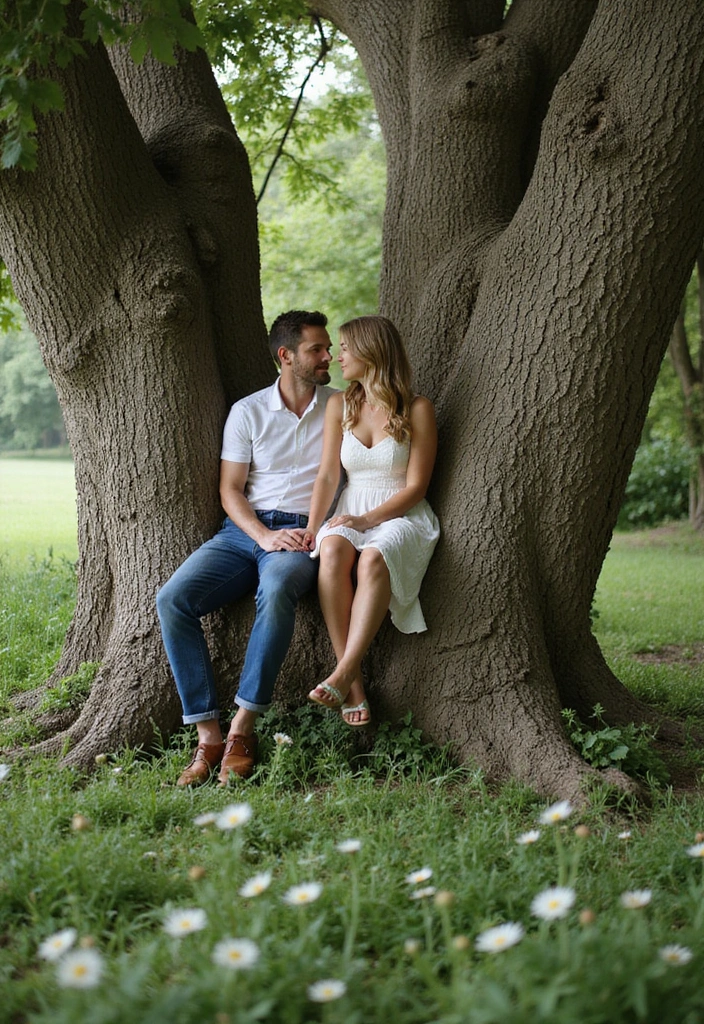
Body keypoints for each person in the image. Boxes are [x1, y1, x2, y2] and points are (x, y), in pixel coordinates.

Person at [157, 310, 335, 786]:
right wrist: (262, 535)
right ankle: (208, 735)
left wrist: (312, 530)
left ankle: (242, 730)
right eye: (317, 349)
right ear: (286, 356)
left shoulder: (341, 405)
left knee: (277, 588)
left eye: (327, 347)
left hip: (304, 534)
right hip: (245, 532)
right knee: (173, 599)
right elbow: (230, 489)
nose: (327, 356)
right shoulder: (248, 411)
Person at [302, 315, 440, 726]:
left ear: (371, 351)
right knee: (332, 549)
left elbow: (416, 487)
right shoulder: (338, 405)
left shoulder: (417, 408)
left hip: (401, 513)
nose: (337, 357)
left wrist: (366, 520)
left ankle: (343, 672)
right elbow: (328, 475)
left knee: (374, 558)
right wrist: (314, 527)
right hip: (352, 503)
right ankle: (354, 682)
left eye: (344, 348)